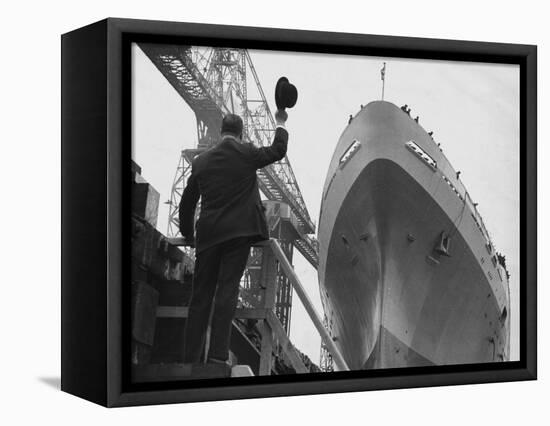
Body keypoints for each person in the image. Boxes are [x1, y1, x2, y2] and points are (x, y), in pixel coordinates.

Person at [178, 110, 289, 365]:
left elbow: (187, 203)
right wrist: (281, 122)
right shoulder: (247, 153)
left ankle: (190, 359)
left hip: (208, 237)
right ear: (240, 134)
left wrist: (187, 232)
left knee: (200, 297)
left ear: (221, 132)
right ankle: (217, 357)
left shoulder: (202, 162)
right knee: (227, 292)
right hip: (239, 234)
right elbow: (277, 150)